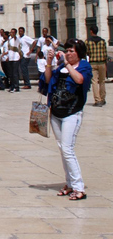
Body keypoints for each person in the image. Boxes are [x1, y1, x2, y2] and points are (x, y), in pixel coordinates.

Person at [44, 39, 92, 201]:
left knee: (67, 148)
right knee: (62, 148)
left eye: (72, 51)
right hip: (56, 112)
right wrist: (49, 62)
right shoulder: (61, 68)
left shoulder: (84, 66)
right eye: (68, 51)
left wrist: (67, 64)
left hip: (73, 112)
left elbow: (79, 80)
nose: (69, 54)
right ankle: (69, 183)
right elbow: (48, 80)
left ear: (79, 53)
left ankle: (79, 187)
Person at [87, 26, 107, 107]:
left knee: (94, 81)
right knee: (102, 81)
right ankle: (102, 99)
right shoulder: (102, 41)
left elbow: (87, 52)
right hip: (102, 63)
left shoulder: (88, 41)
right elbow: (105, 53)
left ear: (91, 31)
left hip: (93, 63)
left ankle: (97, 100)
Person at [5, 29, 22, 93]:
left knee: (15, 73)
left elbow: (15, 39)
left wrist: (14, 35)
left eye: (12, 32)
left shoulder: (16, 39)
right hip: (11, 58)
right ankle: (12, 86)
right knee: (11, 74)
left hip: (16, 58)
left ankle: (16, 86)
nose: (11, 33)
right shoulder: (10, 40)